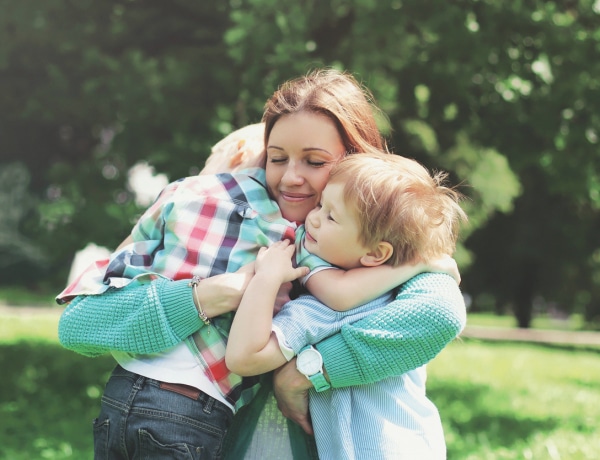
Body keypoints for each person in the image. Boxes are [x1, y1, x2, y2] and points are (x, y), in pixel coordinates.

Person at [57, 69, 467, 459]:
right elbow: (78, 323)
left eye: (315, 162)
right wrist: (216, 293)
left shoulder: (392, 238)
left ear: (356, 164)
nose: (291, 178)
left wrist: (305, 373)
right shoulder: (233, 221)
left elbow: (437, 314)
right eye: (275, 158)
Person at [226, 152, 466, 459]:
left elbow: (244, 357)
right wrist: (417, 265)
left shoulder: (325, 311)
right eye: (320, 205)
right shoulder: (404, 298)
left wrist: (267, 278)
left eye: (330, 216)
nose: (312, 218)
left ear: (376, 253)